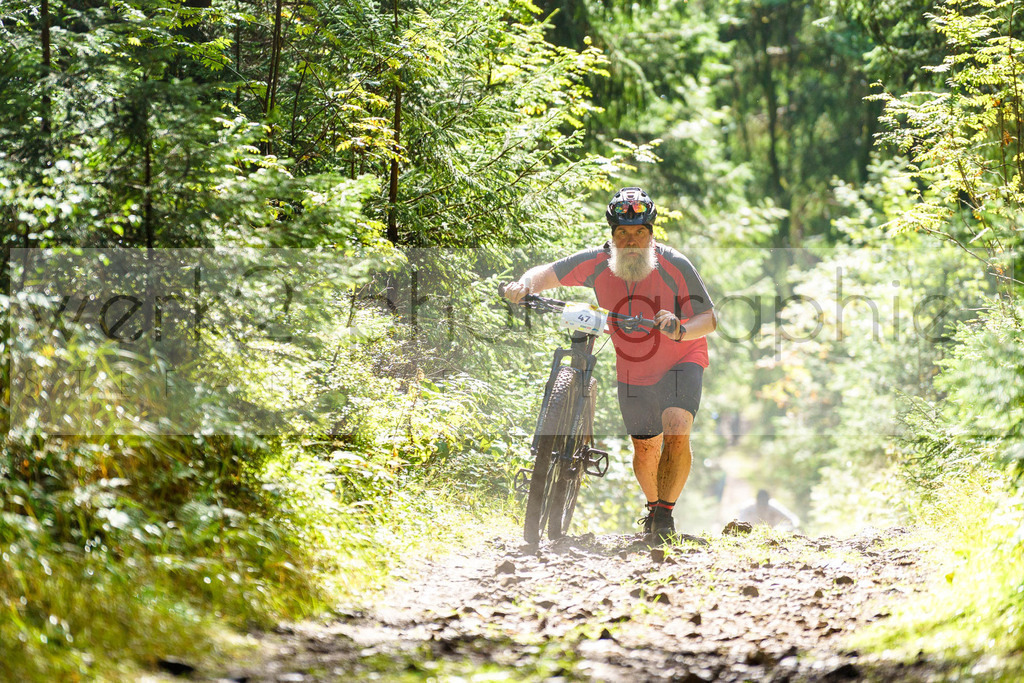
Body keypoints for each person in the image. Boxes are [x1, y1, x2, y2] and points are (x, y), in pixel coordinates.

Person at [503, 187, 717, 544]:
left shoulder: (675, 265)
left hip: (682, 355)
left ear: (652, 233)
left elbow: (709, 319)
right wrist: (524, 284)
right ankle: (653, 509)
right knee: (645, 446)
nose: (631, 241)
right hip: (632, 365)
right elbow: (549, 273)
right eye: (622, 233)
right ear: (612, 235)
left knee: (676, 426)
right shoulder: (597, 262)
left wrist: (681, 330)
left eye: (639, 232)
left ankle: (665, 516)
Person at [736, 489, 800, 530]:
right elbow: (739, 521)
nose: (762, 506)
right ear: (757, 501)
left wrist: (782, 529)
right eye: (761, 503)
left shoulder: (773, 507)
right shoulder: (748, 509)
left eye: (764, 503)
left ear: (768, 501)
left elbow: (792, 519)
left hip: (772, 535)